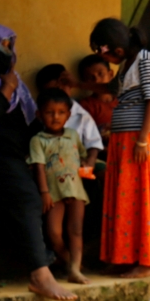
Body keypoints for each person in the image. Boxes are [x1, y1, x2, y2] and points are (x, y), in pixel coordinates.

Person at [0, 22, 76, 300]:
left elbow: (30, 123)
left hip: (18, 156)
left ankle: (51, 262)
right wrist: (5, 92)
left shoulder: (12, 82)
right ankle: (39, 275)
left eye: (9, 47)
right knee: (26, 199)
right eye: (0, 48)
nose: (6, 54)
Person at [90, 18, 150, 277]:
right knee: (123, 197)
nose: (103, 59)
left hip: (136, 140)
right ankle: (125, 255)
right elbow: (111, 90)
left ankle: (149, 261)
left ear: (116, 50)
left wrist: (141, 140)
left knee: (141, 197)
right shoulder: (128, 64)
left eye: (103, 53)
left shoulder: (145, 60)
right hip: (121, 140)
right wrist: (77, 84)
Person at [28, 88, 90, 285]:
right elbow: (38, 167)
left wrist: (88, 166)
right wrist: (44, 192)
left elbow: (81, 155)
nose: (56, 117)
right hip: (53, 193)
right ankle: (70, 261)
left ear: (68, 115)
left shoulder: (72, 135)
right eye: (49, 112)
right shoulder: (38, 140)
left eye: (61, 112)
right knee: (54, 232)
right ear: (39, 114)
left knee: (76, 230)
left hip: (75, 190)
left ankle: (74, 270)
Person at [34, 63, 102, 170]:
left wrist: (90, 161)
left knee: (104, 172)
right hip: (54, 163)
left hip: (82, 161)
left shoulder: (81, 114)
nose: (60, 95)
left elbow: (93, 143)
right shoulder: (40, 117)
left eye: (62, 86)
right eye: (54, 91)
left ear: (69, 84)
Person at [77, 54, 118, 142]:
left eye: (100, 74)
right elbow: (87, 139)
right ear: (85, 82)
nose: (97, 80)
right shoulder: (86, 105)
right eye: (90, 77)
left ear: (110, 74)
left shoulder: (123, 100)